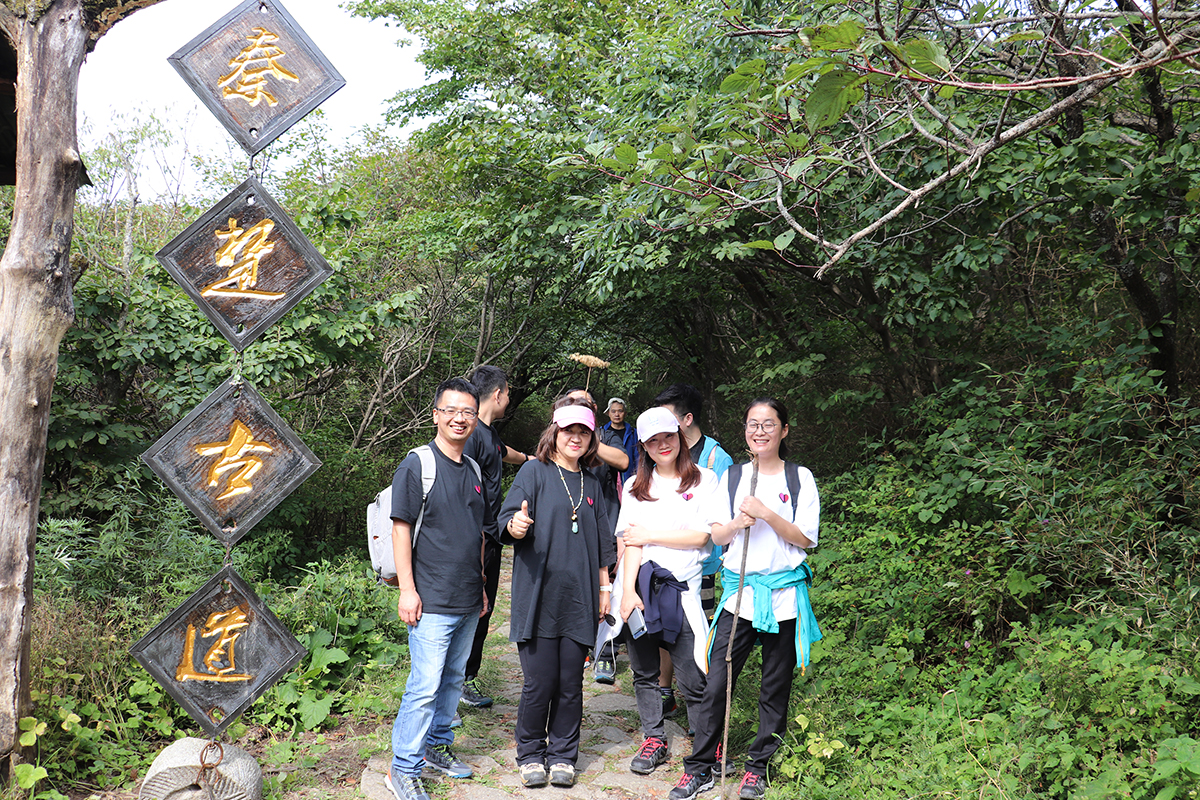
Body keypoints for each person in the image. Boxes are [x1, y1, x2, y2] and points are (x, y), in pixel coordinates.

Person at [668, 397, 822, 800]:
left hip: (785, 598)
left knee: (774, 687)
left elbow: (806, 538)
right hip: (740, 599)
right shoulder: (732, 477)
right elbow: (717, 536)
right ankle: (700, 767)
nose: (760, 431)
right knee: (716, 683)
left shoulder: (799, 478)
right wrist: (739, 520)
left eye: (769, 424)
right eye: (753, 424)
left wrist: (768, 513)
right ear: (745, 431)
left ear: (784, 430)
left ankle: (757, 767)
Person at [498, 397, 617, 789]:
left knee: (570, 684)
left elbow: (602, 542)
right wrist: (515, 525)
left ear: (591, 439)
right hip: (538, 596)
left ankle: (564, 754)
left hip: (580, 596)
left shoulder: (593, 483)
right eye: (569, 430)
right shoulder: (534, 471)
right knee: (539, 682)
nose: (576, 438)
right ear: (555, 432)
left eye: (584, 432)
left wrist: (604, 587)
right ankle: (530, 753)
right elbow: (507, 518)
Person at [386, 378, 490, 800]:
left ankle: (436, 748)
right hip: (430, 598)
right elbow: (400, 529)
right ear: (435, 415)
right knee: (424, 685)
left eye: (467, 411)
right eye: (450, 410)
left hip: (467, 596)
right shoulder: (417, 464)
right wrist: (406, 590)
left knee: (451, 680)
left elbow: (477, 534)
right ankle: (403, 768)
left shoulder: (476, 469)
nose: (459, 418)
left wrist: (482, 586)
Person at [599, 406, 717, 776]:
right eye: (653, 441)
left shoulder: (704, 480)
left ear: (679, 437)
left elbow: (703, 536)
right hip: (642, 589)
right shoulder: (636, 486)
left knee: (692, 674)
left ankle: (705, 747)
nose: (662, 445)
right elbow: (630, 542)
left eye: (667, 437)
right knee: (645, 671)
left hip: (681, 590)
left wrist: (652, 535)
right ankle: (654, 738)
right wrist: (628, 591)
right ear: (645, 447)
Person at [652, 384, 734, 714]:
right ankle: (664, 690)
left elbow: (724, 516)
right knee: (667, 628)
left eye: (668, 418)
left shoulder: (716, 457)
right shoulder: (663, 452)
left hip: (705, 564)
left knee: (700, 630)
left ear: (687, 419)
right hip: (665, 562)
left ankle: (699, 699)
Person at [460, 365, 536, 710]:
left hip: (489, 537)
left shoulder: (487, 433)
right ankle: (459, 682)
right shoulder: (473, 434)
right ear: (498, 394)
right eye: (507, 392)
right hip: (476, 538)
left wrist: (532, 460)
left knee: (483, 611)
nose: (508, 398)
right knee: (475, 610)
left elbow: (507, 453)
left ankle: (464, 678)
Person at [565, 388, 626, 684]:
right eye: (573, 404)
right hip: (569, 528)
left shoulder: (604, 436)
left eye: (585, 405)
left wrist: (589, 440)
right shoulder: (561, 438)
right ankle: (580, 648)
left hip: (605, 520)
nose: (579, 408)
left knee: (607, 588)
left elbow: (624, 461)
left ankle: (605, 653)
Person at [604, 397, 639, 486]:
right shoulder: (602, 433)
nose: (617, 414)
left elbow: (638, 457)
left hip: (629, 478)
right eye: (613, 411)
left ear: (625, 413)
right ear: (608, 413)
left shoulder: (633, 433)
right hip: (608, 480)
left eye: (620, 411)